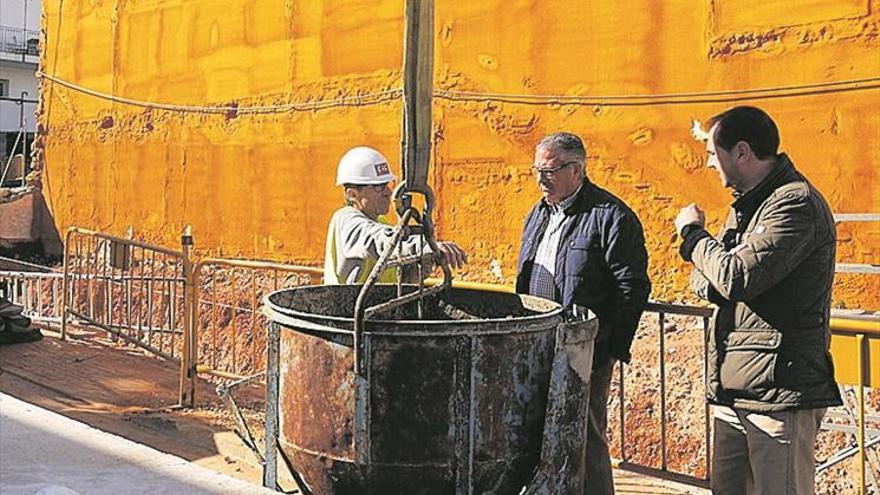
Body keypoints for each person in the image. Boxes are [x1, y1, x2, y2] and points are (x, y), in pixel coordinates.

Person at [674, 106, 842, 495]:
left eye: (714, 154)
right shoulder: (748, 206)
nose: (710, 164)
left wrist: (693, 235)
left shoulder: (794, 204)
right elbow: (707, 280)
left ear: (742, 152)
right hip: (737, 388)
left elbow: (734, 277)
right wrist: (718, 265)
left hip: (778, 392)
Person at [516, 132, 651, 494]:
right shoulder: (538, 213)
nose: (541, 180)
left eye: (550, 171)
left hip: (582, 349)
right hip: (535, 343)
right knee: (535, 433)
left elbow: (631, 287)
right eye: (537, 171)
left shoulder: (611, 217)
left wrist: (607, 347)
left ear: (576, 169)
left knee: (586, 436)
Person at [324, 146, 467, 285]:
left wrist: (428, 261)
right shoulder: (346, 220)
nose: (388, 192)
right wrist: (426, 245)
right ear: (353, 194)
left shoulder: (381, 222)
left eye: (388, 184)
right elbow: (378, 241)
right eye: (378, 186)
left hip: (378, 306)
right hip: (349, 308)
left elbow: (398, 278)